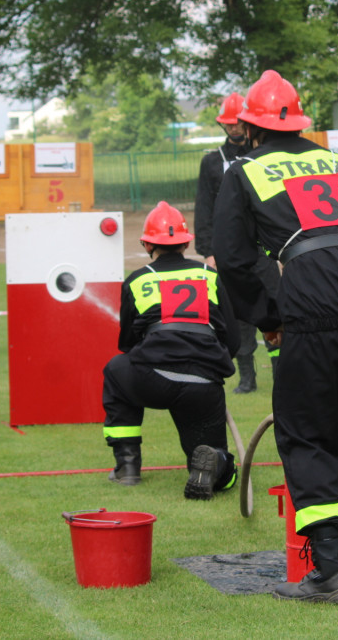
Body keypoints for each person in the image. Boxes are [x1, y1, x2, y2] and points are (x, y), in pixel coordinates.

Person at [212, 70, 338, 604]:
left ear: (249, 126)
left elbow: (234, 257)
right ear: (297, 120)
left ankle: (331, 573)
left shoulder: (245, 169)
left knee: (308, 429)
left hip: (313, 298)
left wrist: (270, 314)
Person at [101, 201, 241, 499]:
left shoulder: (137, 280)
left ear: (145, 244)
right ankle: (217, 466)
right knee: (210, 456)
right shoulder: (210, 275)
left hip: (152, 377)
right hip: (203, 384)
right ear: (186, 242)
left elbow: (126, 343)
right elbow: (233, 338)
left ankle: (127, 466)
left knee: (116, 369)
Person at [194, 91, 281, 394]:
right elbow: (203, 207)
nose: (234, 129)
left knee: (275, 304)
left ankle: (282, 371)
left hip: (263, 248)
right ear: (223, 126)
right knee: (239, 313)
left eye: (237, 123)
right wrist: (208, 251)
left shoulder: (264, 158)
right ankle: (247, 378)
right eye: (228, 124)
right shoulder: (211, 163)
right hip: (230, 251)